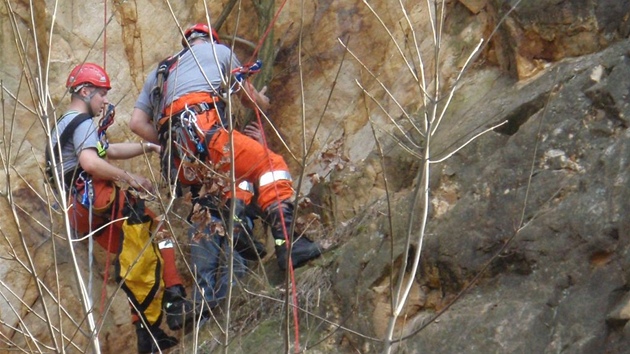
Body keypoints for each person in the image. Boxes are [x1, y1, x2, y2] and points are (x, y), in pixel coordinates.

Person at [130, 23, 322, 297]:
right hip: (203, 130)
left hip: (178, 159)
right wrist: (263, 101)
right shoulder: (218, 51)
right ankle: (288, 243)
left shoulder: (159, 73)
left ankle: (236, 231)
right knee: (271, 167)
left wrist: (171, 143)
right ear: (209, 39)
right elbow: (248, 100)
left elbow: (137, 123)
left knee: (231, 187)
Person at [51, 63, 197, 353]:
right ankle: (174, 298)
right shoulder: (79, 123)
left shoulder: (66, 126)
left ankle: (148, 332)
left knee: (135, 255)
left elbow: (108, 150)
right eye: (101, 94)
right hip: (91, 199)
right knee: (153, 234)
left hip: (79, 211)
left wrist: (148, 147)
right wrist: (131, 178)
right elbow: (91, 163)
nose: (105, 101)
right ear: (85, 90)